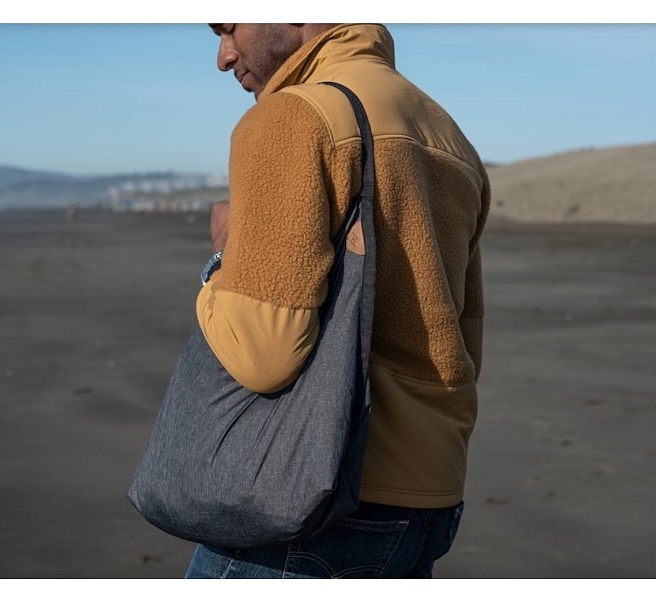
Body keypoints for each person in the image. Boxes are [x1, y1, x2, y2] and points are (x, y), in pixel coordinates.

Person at [186, 23, 490, 578]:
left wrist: (221, 262)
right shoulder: (447, 134)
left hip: (318, 498)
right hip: (431, 498)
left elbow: (263, 355)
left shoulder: (294, 116)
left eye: (228, 27)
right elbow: (464, 335)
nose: (223, 57)